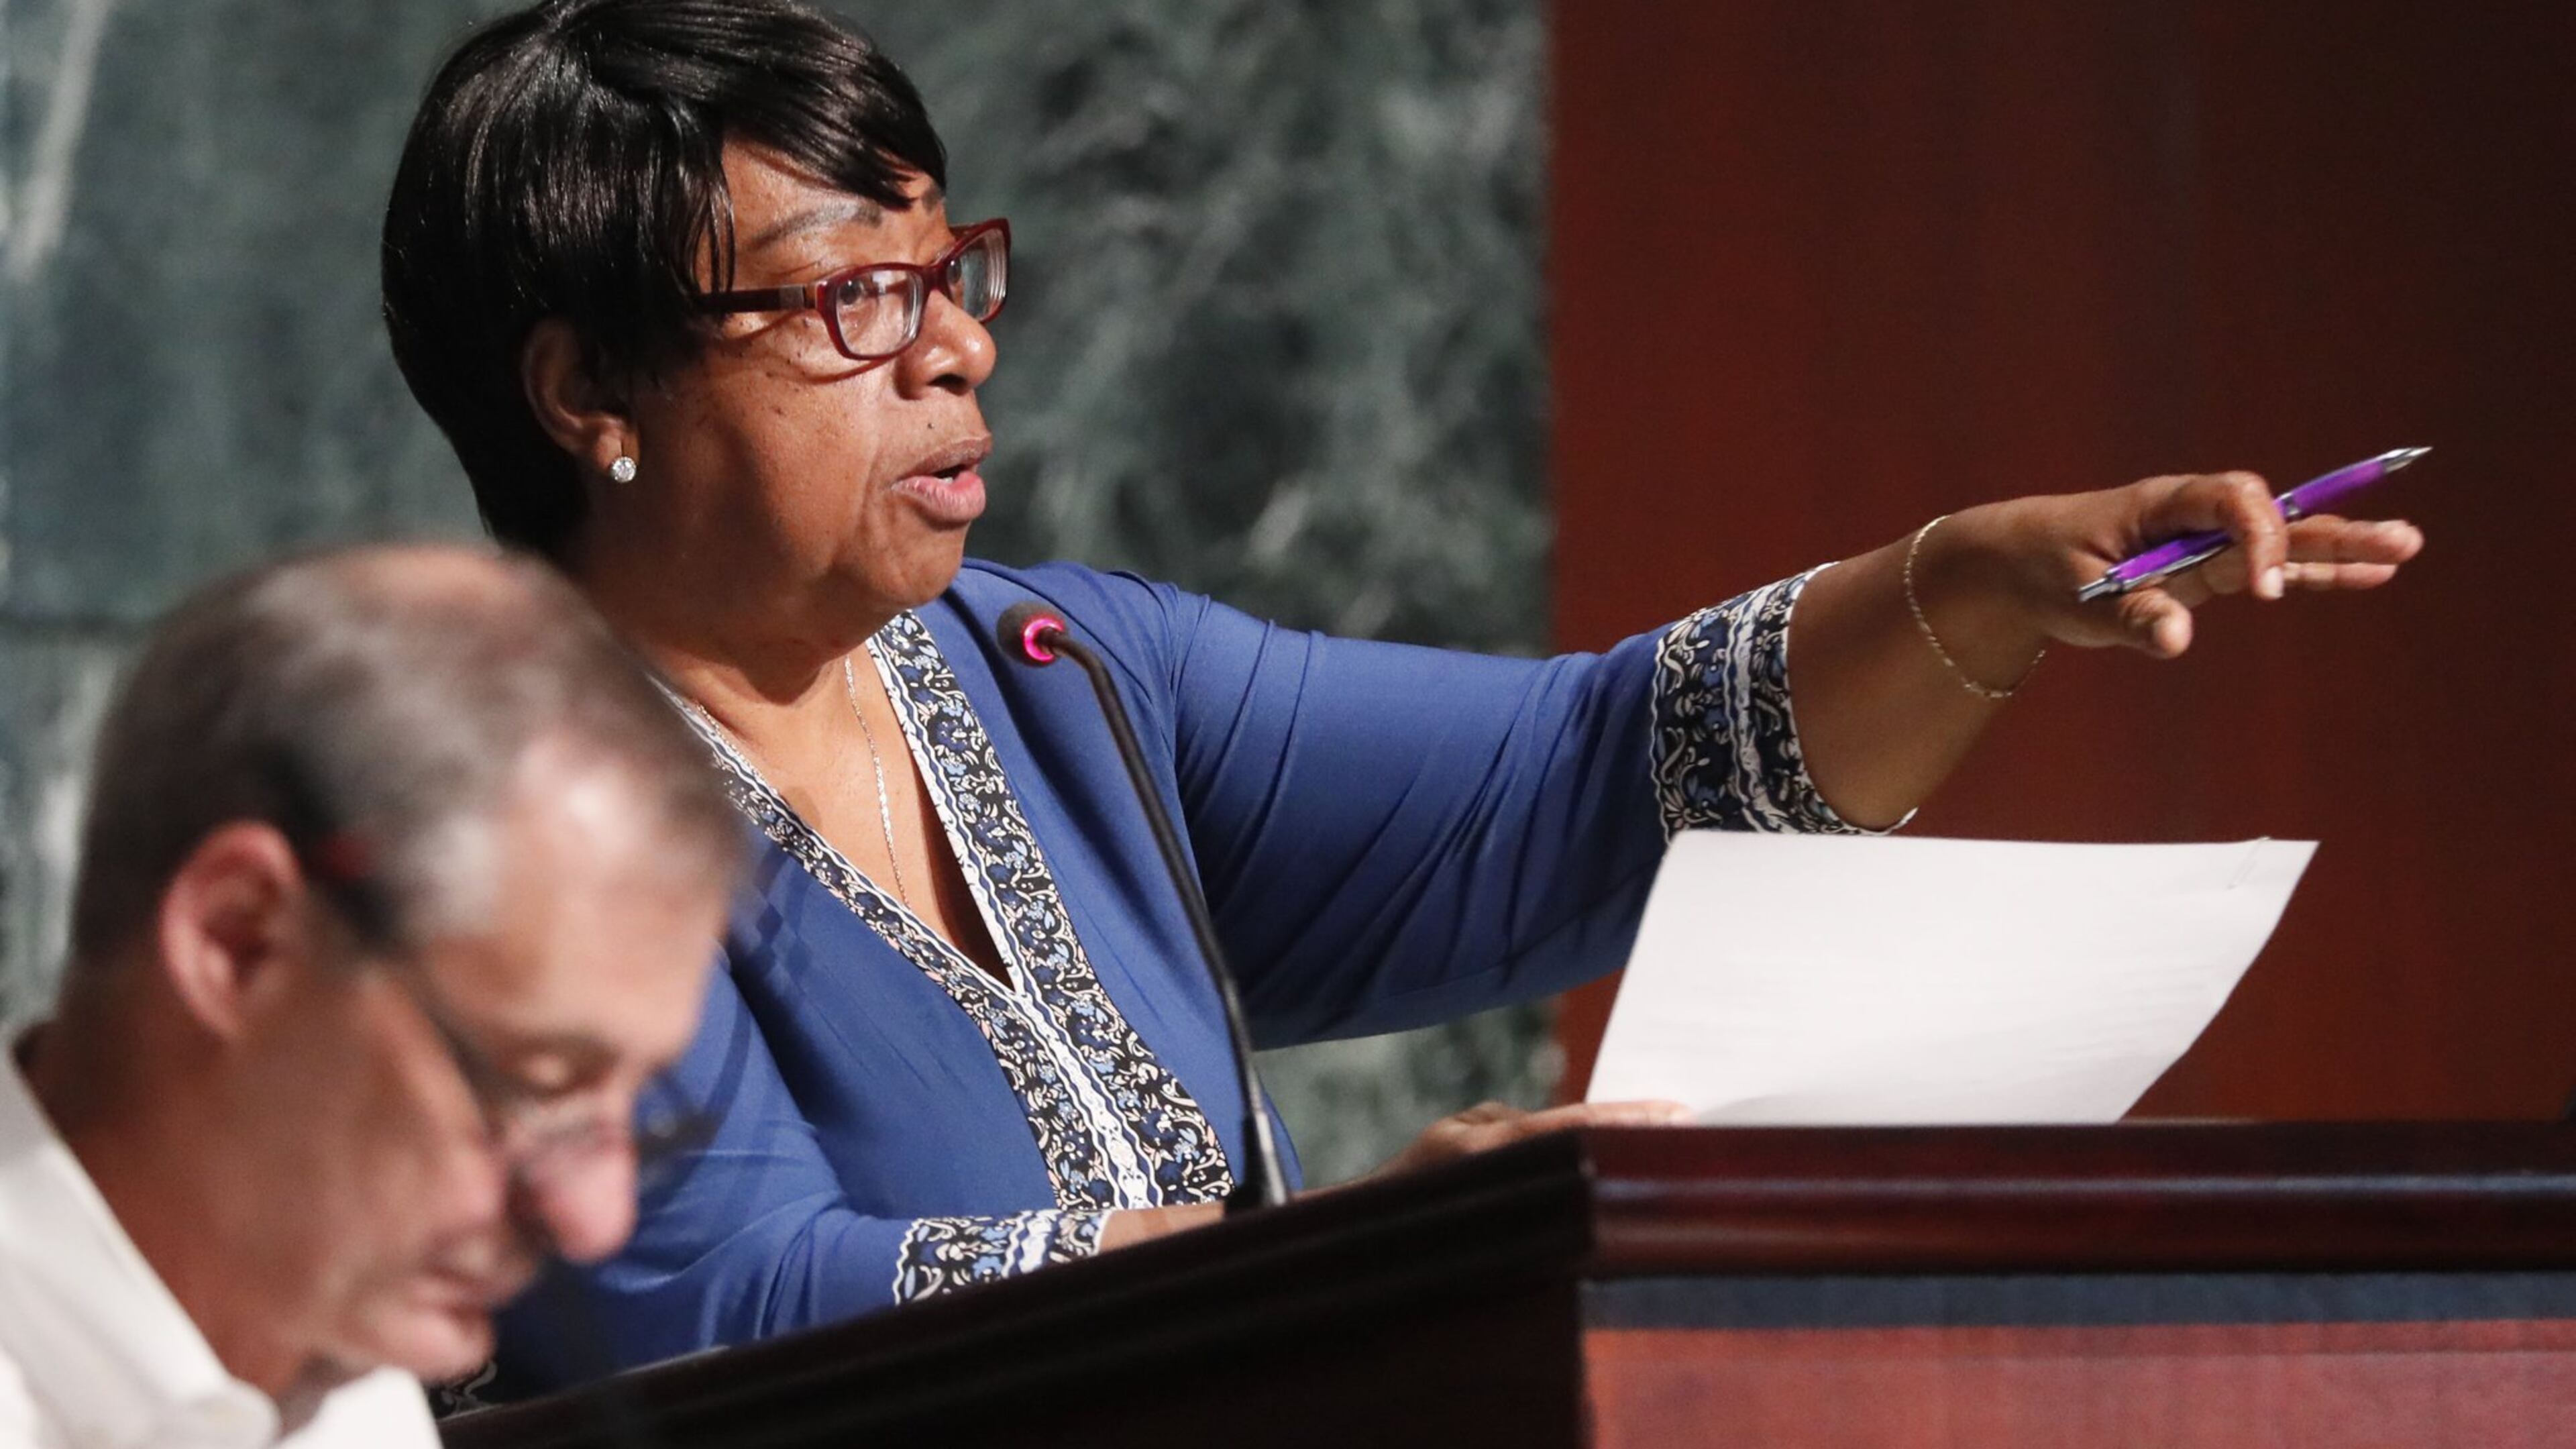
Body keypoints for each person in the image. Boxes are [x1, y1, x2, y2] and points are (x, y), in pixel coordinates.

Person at [377, 0, 2424, 1391]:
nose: (959, 350)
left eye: (950, 274)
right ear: (589, 392)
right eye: (855, 297)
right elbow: (729, 1308)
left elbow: (1578, 783)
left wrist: (1963, 586)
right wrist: (1341, 1263)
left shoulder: (1059, 676)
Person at [0, 546, 742, 1446]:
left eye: (646, 1114)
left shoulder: (340, 1367)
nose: (595, 1219)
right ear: (239, 942)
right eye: (536, 1087)